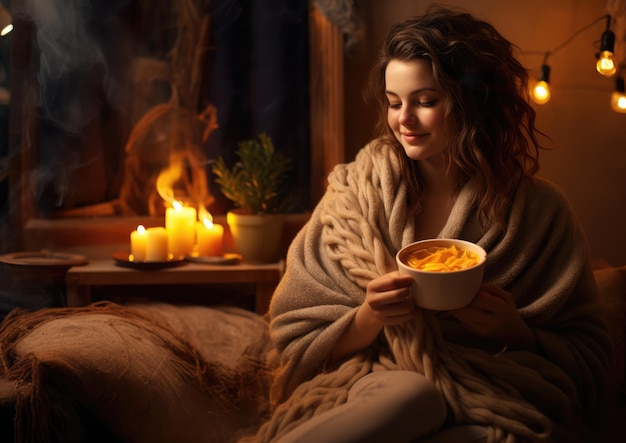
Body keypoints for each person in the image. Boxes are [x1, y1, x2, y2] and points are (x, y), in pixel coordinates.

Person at [251, 6, 613, 443]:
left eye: (425, 101)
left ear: (473, 102)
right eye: (394, 102)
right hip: (380, 376)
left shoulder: (541, 212)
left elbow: (591, 355)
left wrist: (512, 329)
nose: (404, 119)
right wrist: (369, 317)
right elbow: (293, 338)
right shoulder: (354, 198)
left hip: (498, 386)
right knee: (417, 396)